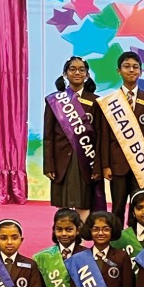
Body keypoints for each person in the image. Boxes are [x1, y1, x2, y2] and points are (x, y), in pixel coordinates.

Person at [100, 51, 144, 223]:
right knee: (117, 207)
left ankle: (136, 243)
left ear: (141, 71)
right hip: (117, 164)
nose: (131, 70)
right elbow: (105, 136)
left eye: (135, 67)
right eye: (127, 66)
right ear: (119, 71)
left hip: (141, 165)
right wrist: (105, 165)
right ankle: (117, 243)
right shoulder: (110, 101)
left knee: (139, 206)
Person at [44, 56, 102, 221]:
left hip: (85, 159)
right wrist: (49, 165)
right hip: (61, 160)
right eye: (72, 69)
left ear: (87, 75)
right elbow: (48, 135)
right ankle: (65, 240)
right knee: (63, 204)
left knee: (83, 203)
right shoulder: (54, 100)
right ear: (65, 74)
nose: (77, 72)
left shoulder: (96, 101)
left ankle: (81, 243)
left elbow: (99, 136)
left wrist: (97, 166)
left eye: (81, 69)